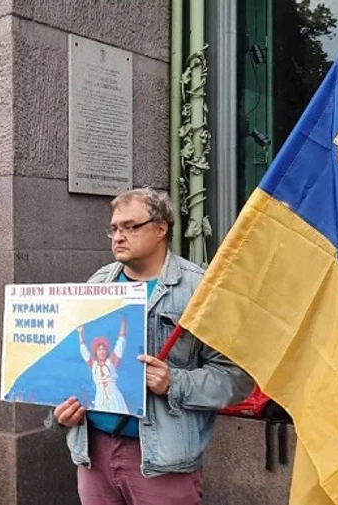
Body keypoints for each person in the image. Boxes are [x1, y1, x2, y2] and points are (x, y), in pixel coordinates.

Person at [47, 188, 253, 505]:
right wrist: (61, 414)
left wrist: (174, 382)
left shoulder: (199, 289)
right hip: (92, 451)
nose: (118, 236)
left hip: (162, 461)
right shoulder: (97, 284)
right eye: (114, 228)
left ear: (161, 229)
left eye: (131, 226)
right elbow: (75, 365)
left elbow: (235, 378)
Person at [78, 317, 128, 414]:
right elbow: (84, 350)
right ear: (96, 352)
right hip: (100, 397)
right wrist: (80, 333)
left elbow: (121, 342)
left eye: (103, 349)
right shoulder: (93, 365)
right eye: (99, 350)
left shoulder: (112, 362)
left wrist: (123, 322)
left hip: (114, 397)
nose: (102, 352)